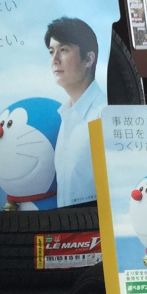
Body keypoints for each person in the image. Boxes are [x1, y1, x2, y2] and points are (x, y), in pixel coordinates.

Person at [48, 16, 105, 205]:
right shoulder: (67, 116)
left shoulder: (102, 116)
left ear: (88, 59)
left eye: (63, 50)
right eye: (51, 51)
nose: (54, 60)